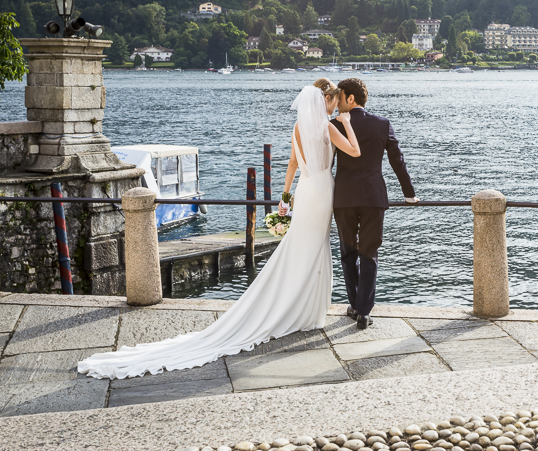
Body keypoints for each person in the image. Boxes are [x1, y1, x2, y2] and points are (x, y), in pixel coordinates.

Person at [77, 79, 360, 380]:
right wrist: (346, 121)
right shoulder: (330, 127)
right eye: (333, 101)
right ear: (326, 101)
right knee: (315, 248)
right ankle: (306, 310)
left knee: (302, 248)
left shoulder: (298, 127)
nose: (334, 106)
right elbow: (354, 151)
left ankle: (301, 307)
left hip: (304, 191)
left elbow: (291, 164)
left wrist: (285, 199)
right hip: (322, 191)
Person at [330, 78, 418, 330]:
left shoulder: (335, 125)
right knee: (369, 254)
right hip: (373, 198)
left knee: (348, 254)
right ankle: (365, 312)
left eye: (341, 97)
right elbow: (397, 161)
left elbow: (327, 163)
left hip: (344, 199)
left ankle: (355, 305)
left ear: (350, 99)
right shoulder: (382, 124)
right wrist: (409, 194)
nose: (336, 103)